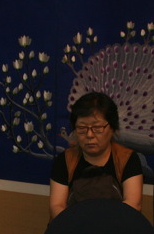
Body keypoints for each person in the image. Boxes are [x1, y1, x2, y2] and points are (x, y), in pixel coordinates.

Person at [48, 91, 143, 219]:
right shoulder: (64, 160)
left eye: (97, 128)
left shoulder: (127, 158)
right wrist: (80, 225)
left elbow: (133, 204)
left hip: (116, 226)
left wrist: (100, 225)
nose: (89, 135)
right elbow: (57, 206)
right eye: (82, 128)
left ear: (112, 128)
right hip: (74, 227)